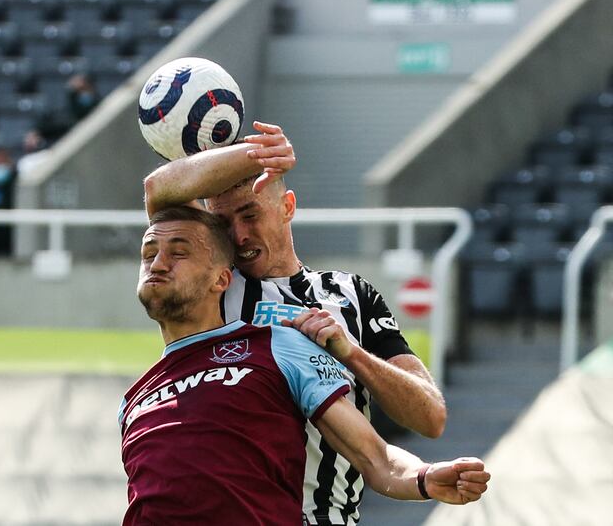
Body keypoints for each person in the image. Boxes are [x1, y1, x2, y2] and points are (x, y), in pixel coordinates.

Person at [143, 121, 448, 525]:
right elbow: (157, 193)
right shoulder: (215, 286)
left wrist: (352, 355)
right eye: (224, 222)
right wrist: (257, 154)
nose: (237, 234)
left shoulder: (352, 296)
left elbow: (430, 416)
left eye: (250, 214)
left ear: (287, 206)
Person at [122, 205, 490, 524]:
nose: (157, 263)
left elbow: (376, 457)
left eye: (178, 252)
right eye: (148, 252)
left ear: (222, 278)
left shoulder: (278, 344)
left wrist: (423, 478)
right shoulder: (134, 400)